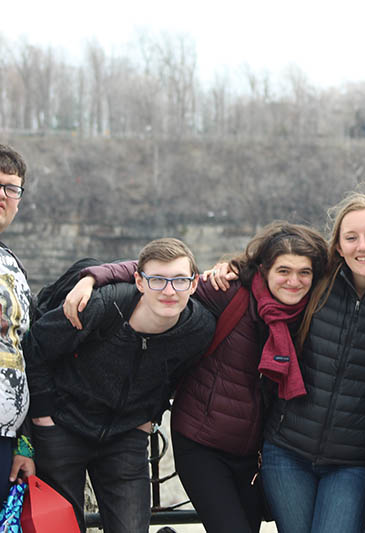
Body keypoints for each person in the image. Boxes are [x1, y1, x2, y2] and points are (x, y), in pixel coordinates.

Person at [63, 222, 329, 533]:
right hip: (202, 443)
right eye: (284, 270)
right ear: (263, 269)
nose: (293, 281)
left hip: (253, 454)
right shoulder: (229, 293)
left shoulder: (311, 313)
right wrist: (93, 277)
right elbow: (164, 278)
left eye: (304, 273)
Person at [24, 237, 216, 532]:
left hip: (125, 435)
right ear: (139, 282)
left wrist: (150, 418)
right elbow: (36, 345)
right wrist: (43, 415)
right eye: (157, 280)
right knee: (61, 527)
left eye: (179, 281)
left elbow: (177, 376)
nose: (168, 291)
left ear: (193, 285)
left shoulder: (199, 328)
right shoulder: (103, 306)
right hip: (63, 426)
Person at [255, 193, 365, 533]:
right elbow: (262, 276)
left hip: (352, 462)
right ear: (339, 246)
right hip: (286, 451)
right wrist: (226, 268)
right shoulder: (316, 283)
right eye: (351, 238)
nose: (363, 246)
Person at [0, 144, 35, 501]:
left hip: (6, 439)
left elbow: (26, 356)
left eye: (11, 188)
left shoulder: (12, 265)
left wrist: (26, 443)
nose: (3, 195)